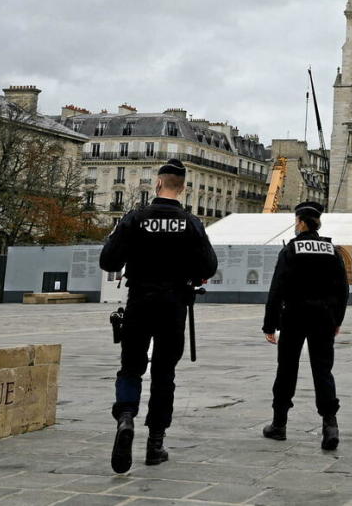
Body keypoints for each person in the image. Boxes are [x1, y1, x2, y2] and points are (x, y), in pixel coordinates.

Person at [100, 158, 217, 473]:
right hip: (174, 304)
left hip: (139, 301)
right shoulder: (190, 223)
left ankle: (125, 418)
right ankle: (155, 443)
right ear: (184, 188)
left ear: (157, 184)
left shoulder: (135, 218)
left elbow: (108, 260)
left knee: (131, 367)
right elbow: (208, 267)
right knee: (165, 373)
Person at [262, 201, 348, 450]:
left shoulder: (291, 249)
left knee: (287, 369)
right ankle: (330, 425)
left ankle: (279, 425)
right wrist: (337, 320)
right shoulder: (332, 250)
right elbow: (343, 289)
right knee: (323, 370)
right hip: (323, 317)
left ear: (300, 223)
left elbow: (276, 288)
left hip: (295, 315)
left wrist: (270, 324)